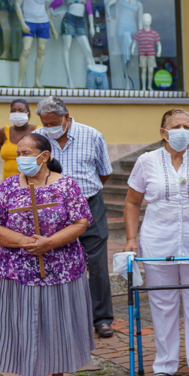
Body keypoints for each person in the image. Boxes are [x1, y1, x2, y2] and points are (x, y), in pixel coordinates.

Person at [0, 133, 94, 376]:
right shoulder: (9, 186)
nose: (20, 158)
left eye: (26, 153)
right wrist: (28, 243)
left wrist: (50, 243)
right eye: (18, 153)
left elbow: (81, 222)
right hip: (18, 270)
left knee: (56, 321)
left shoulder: (67, 185)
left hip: (61, 267)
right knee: (25, 322)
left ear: (44, 156)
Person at [124, 109, 189, 376]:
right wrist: (131, 239)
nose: (182, 131)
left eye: (187, 126)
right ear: (163, 132)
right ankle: (165, 364)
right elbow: (132, 202)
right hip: (157, 241)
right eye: (176, 126)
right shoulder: (147, 161)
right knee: (162, 304)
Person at [35, 97, 115, 339]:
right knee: (56, 261)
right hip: (52, 210)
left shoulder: (92, 135)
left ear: (67, 117)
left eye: (54, 123)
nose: (49, 128)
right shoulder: (38, 138)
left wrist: (80, 197)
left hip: (90, 204)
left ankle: (101, 318)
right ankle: (63, 317)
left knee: (97, 263)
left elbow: (104, 173)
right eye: (44, 123)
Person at [0, 99, 38, 180]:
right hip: (7, 183)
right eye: (13, 110)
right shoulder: (4, 131)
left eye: (21, 110)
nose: (16, 113)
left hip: (30, 182)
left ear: (28, 114)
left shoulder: (37, 131)